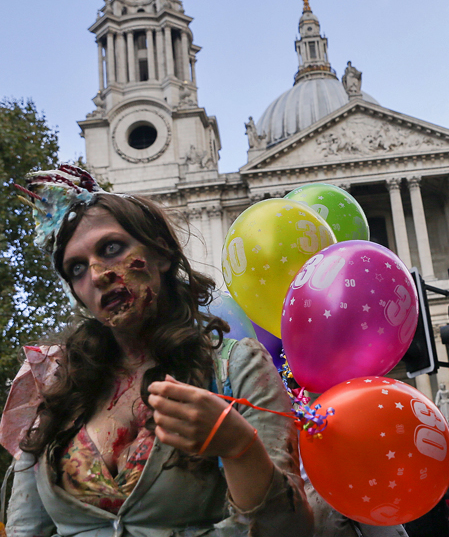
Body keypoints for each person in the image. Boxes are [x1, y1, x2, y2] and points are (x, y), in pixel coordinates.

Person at [3, 165, 312, 536]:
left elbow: (289, 527)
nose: (98, 274)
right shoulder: (55, 387)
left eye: (112, 248)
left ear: (161, 254)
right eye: (77, 268)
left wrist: (239, 448)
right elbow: (26, 528)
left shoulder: (236, 367)